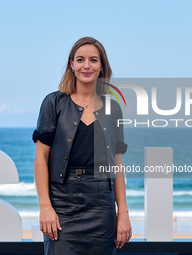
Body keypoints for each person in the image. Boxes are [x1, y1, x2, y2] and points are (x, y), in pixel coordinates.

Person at [32, 37, 132, 255]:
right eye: (80, 60)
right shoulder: (53, 103)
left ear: (102, 66)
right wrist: (45, 206)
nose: (86, 66)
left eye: (93, 60)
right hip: (62, 201)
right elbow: (41, 157)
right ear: (72, 65)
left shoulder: (113, 108)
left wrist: (122, 211)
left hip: (101, 204)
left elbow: (116, 162)